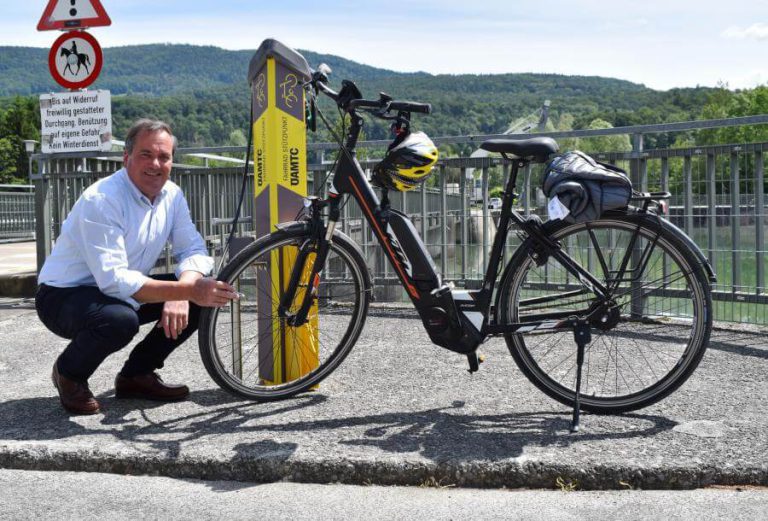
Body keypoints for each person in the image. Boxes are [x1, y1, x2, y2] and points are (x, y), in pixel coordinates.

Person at [36, 118, 238, 415]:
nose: (155, 164)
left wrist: (184, 292)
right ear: (126, 157)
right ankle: (69, 373)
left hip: (114, 291)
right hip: (63, 295)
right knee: (119, 320)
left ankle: (136, 376)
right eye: (146, 154)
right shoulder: (102, 199)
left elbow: (192, 249)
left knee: (205, 297)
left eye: (164, 157)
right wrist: (182, 289)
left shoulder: (172, 195)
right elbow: (114, 281)